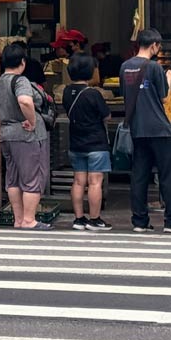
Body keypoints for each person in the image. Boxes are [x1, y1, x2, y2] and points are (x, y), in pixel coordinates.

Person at [118, 28, 171, 234]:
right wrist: (169, 78)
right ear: (154, 46)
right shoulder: (154, 68)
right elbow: (164, 98)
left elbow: (127, 94)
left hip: (137, 128)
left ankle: (139, 221)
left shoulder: (124, 67)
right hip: (159, 129)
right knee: (168, 175)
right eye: (159, 46)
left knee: (139, 175)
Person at [0, 42, 52, 230]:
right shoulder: (20, 81)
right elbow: (25, 101)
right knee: (32, 177)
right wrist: (33, 122)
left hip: (6, 134)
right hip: (26, 136)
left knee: (13, 179)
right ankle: (29, 220)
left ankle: (19, 219)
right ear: (22, 62)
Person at [62, 52, 112, 231]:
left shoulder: (67, 92)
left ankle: (79, 219)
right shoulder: (93, 93)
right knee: (95, 182)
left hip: (76, 143)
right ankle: (95, 219)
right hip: (96, 143)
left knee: (78, 181)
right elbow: (106, 115)